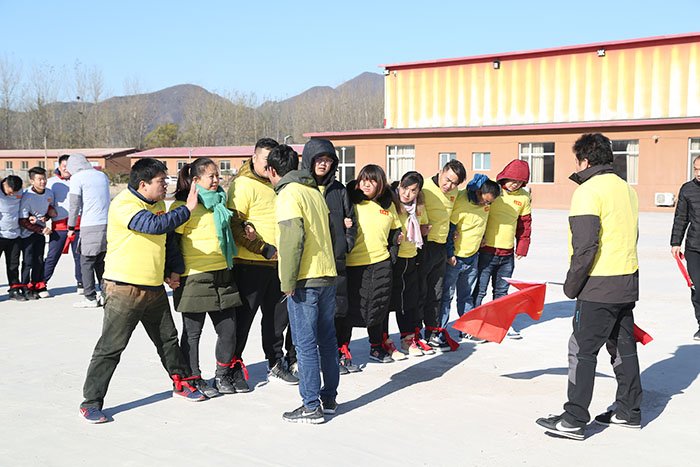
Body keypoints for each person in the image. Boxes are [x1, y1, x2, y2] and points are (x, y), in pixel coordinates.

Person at [79, 158, 205, 424]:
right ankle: (91, 402)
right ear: (143, 184)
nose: (166, 185)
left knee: (168, 340)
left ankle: (181, 383)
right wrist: (188, 209)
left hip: (153, 287)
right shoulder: (124, 204)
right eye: (161, 181)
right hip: (123, 288)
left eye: (166, 180)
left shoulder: (157, 204)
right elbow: (153, 226)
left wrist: (173, 269)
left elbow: (167, 238)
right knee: (111, 348)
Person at [536, 133, 642, 440]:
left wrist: (572, 285)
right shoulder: (626, 189)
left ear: (584, 161)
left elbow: (585, 247)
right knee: (623, 348)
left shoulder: (588, 191)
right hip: (626, 280)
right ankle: (628, 411)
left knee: (582, 351)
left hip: (598, 285)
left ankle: (574, 419)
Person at [267, 144, 339, 424]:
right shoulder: (313, 191)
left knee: (305, 344)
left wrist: (287, 281)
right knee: (327, 341)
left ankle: (311, 405)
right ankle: (328, 398)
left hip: (305, 278)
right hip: (327, 275)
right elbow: (332, 232)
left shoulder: (288, 194)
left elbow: (291, 239)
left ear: (272, 170)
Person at [226, 138, 297, 390]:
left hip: (278, 266)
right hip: (250, 264)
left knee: (277, 320)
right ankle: (232, 367)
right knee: (242, 321)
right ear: (254, 158)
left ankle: (276, 363)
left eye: (272, 160)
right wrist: (263, 248)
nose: (269, 165)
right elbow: (235, 226)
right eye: (265, 160)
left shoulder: (280, 185)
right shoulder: (243, 184)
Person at [170, 158, 242, 398]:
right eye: (211, 176)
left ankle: (222, 374)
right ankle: (192, 377)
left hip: (223, 272)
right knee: (193, 333)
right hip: (194, 276)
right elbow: (172, 242)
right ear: (196, 180)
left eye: (217, 175)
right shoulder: (183, 206)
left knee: (228, 329)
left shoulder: (221, 202)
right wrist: (172, 272)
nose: (216, 180)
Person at [301, 139, 359, 375]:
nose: (323, 164)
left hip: (336, 261)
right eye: (319, 159)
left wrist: (346, 243)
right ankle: (299, 358)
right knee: (307, 315)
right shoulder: (302, 188)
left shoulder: (339, 190)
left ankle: (337, 354)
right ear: (309, 160)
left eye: (328, 160)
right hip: (309, 264)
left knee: (338, 310)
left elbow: (351, 221)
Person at [344, 164, 403, 363]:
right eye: (363, 180)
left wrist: (393, 252)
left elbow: (395, 231)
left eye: (372, 181)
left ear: (380, 184)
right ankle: (342, 348)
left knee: (378, 307)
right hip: (353, 263)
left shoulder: (388, 205)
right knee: (349, 309)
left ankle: (376, 347)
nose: (366, 184)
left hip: (380, 263)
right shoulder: (350, 200)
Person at [475, 159, 532, 339]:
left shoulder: (524, 197)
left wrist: (522, 246)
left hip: (507, 254)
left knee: (501, 292)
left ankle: (500, 323)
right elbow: (477, 214)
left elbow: (524, 224)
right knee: (479, 290)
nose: (514, 184)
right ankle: (475, 324)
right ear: (504, 176)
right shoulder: (493, 190)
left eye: (519, 181)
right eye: (512, 179)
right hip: (486, 251)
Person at [441, 175, 501, 343]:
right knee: (446, 296)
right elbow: (449, 229)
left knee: (467, 296)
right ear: (478, 192)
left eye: (490, 202)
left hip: (472, 257)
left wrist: (481, 238)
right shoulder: (461, 200)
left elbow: (480, 225)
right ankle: (439, 331)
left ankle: (467, 329)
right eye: (485, 200)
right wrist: (450, 254)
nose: (486, 204)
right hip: (455, 259)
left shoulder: (486, 204)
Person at [418, 159, 467, 352]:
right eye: (447, 179)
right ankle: (414, 334)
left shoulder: (455, 192)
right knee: (420, 292)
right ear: (440, 172)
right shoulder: (424, 187)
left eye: (454, 183)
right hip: (423, 246)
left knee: (437, 292)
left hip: (440, 248)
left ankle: (432, 332)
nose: (449, 186)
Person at [388, 171, 432, 357]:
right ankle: (383, 341)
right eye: (405, 188)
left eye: (413, 190)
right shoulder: (390, 202)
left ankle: (407, 340)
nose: (408, 194)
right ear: (399, 185)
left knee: (407, 302)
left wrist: (424, 230)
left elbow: (423, 224)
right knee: (386, 302)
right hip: (392, 259)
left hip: (411, 258)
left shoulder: (419, 206)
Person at [67, 153, 110, 308]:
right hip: (106, 223)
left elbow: (74, 205)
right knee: (101, 262)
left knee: (86, 262)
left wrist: (71, 227)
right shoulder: (102, 175)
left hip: (90, 225)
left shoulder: (77, 178)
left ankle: (90, 297)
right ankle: (106, 295)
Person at [43, 154, 83, 295]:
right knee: (52, 256)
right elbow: (43, 199)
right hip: (59, 225)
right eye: (64, 166)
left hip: (77, 225)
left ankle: (82, 282)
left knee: (79, 256)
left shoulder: (79, 180)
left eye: (69, 166)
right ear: (59, 166)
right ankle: (41, 283)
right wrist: (49, 210)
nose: (67, 169)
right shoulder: (51, 183)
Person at [671, 155, 700, 340]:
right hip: (694, 247)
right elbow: (681, 217)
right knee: (697, 288)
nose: (699, 173)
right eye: (696, 169)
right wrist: (675, 242)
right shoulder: (687, 189)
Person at [18, 167, 55, 299]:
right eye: (39, 179)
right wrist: (41, 229)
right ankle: (24, 287)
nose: (43, 182)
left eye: (44, 178)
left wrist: (47, 216)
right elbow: (23, 221)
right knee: (28, 261)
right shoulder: (27, 196)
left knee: (39, 260)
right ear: (32, 181)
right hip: (27, 234)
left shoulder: (49, 193)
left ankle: (35, 286)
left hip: (40, 233)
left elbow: (47, 211)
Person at [0, 175, 26, 301]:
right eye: (10, 192)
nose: (12, 195)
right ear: (4, 184)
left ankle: (14, 290)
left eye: (14, 193)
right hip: (0, 234)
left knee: (13, 265)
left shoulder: (19, 191)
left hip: (15, 234)